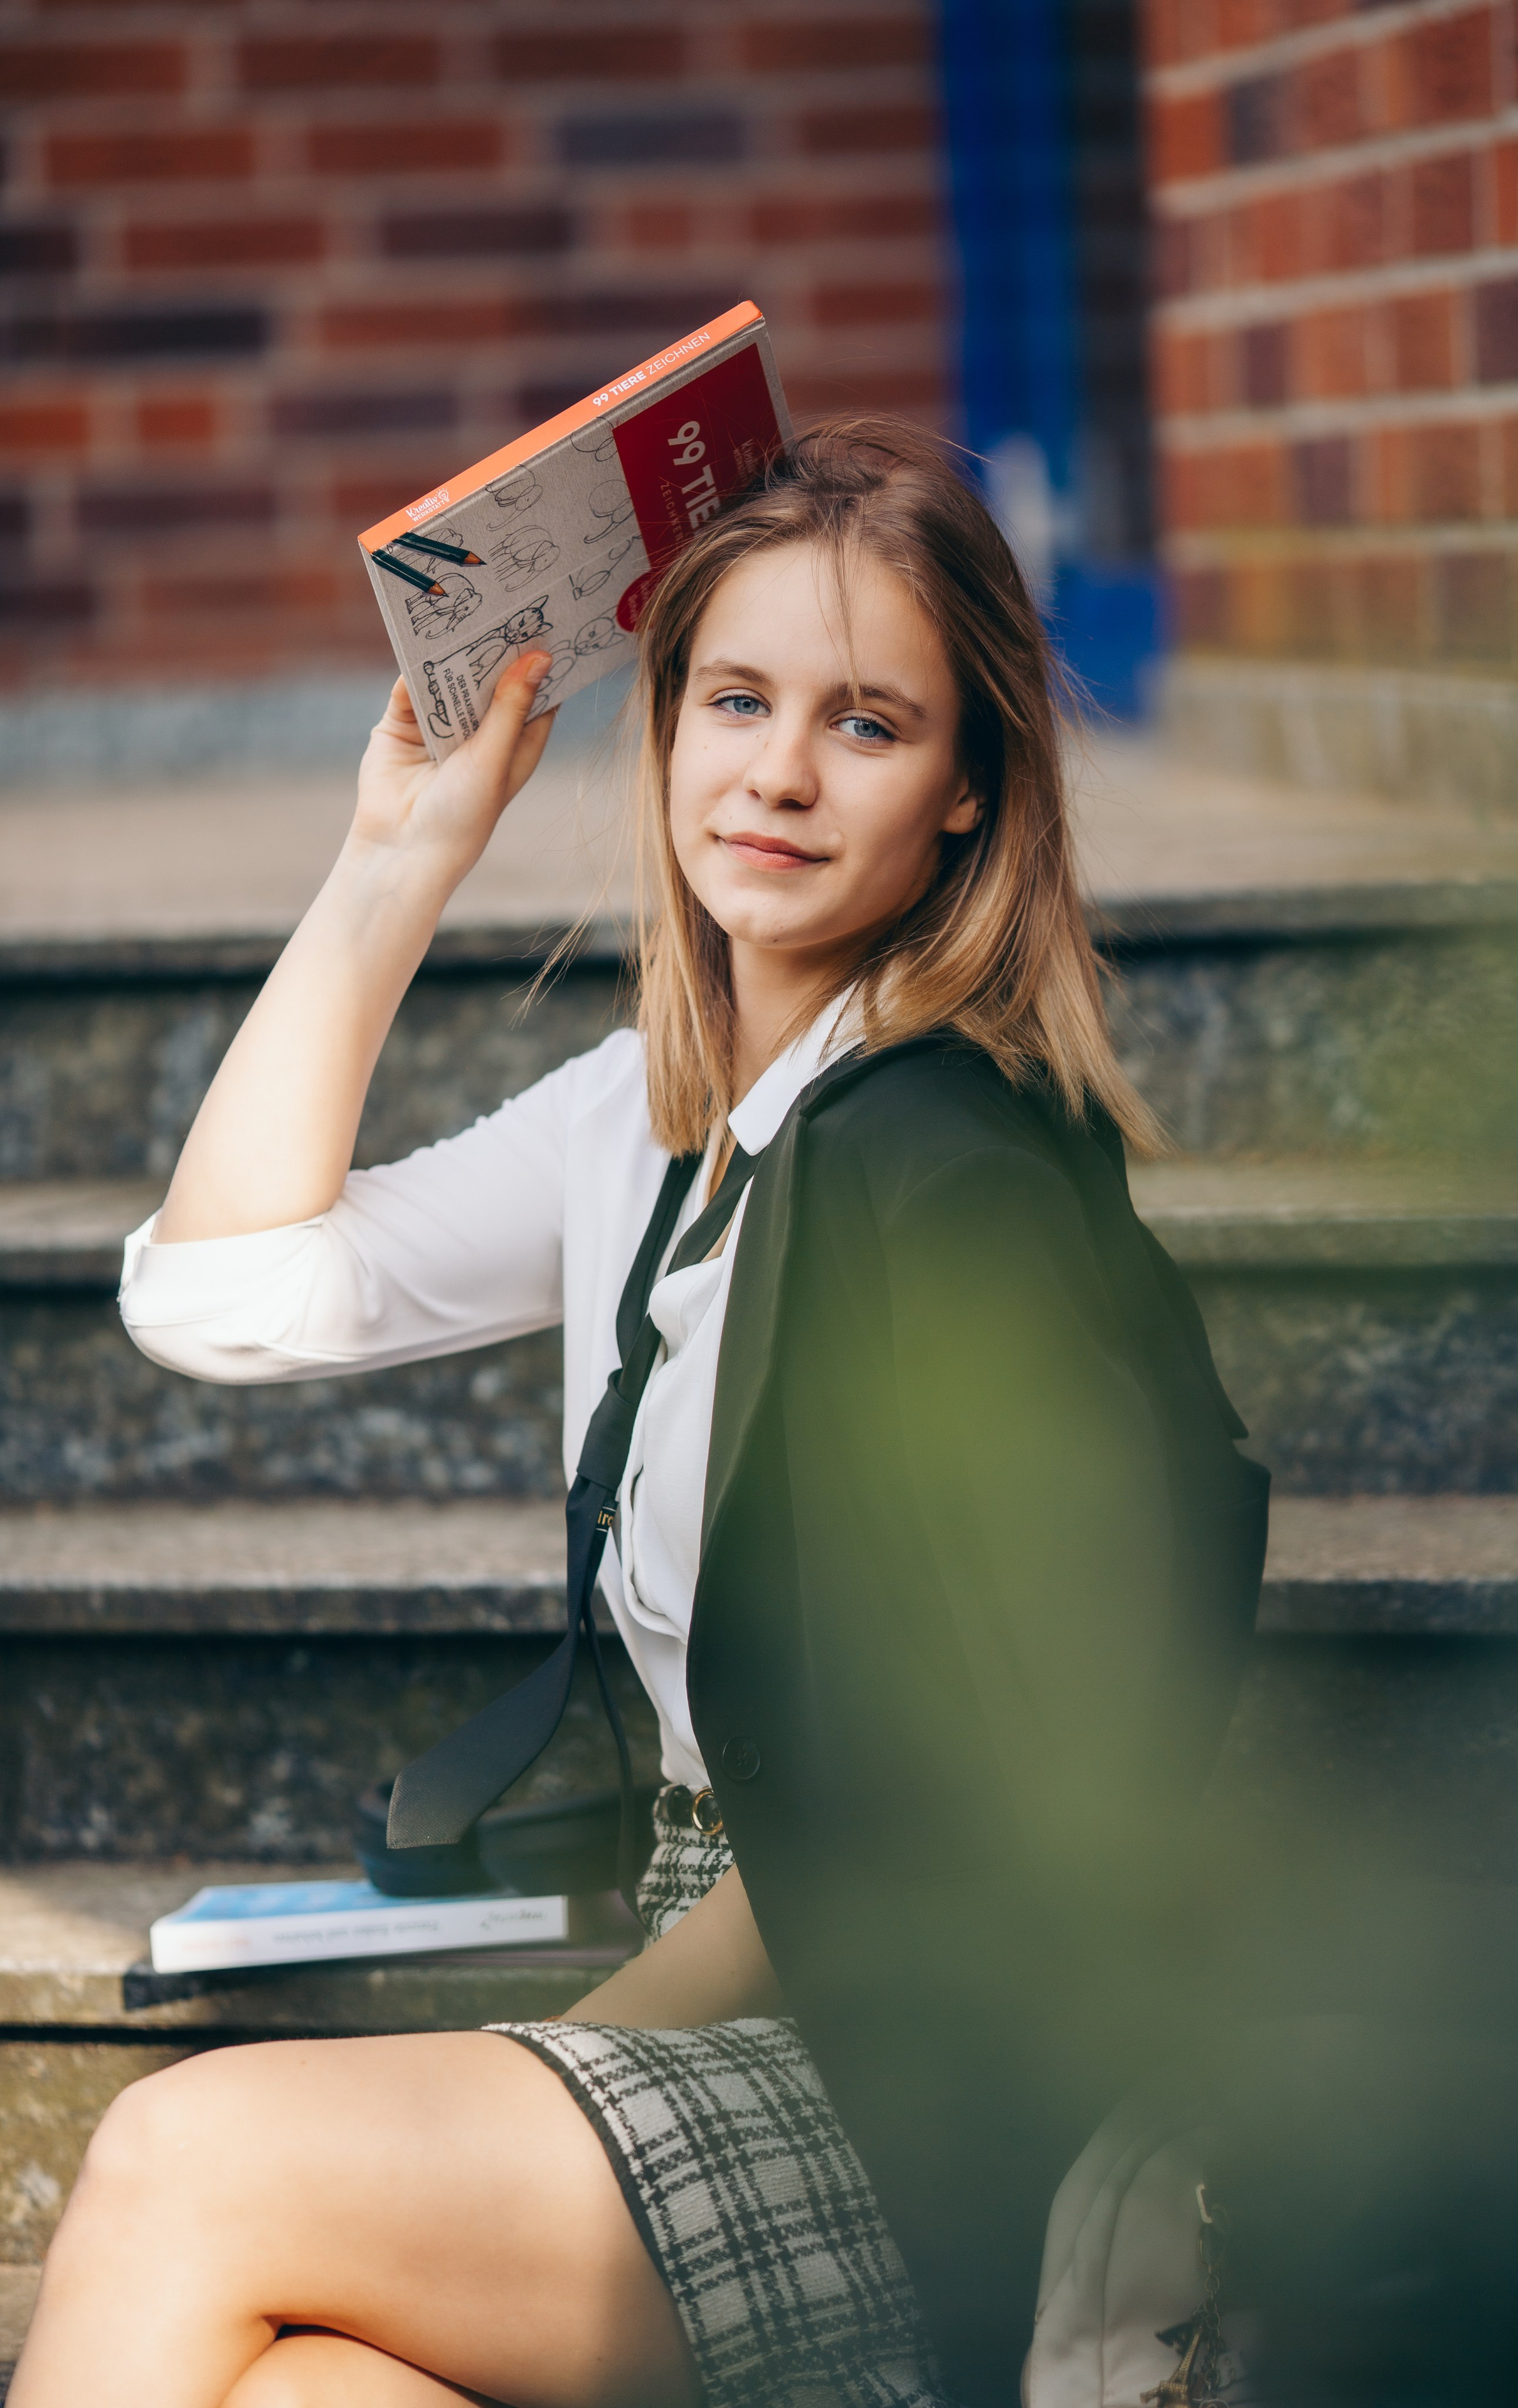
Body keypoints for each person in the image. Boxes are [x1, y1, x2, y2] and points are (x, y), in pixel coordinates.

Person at [13, 418, 1266, 2408]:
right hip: (712, 1954)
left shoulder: (941, 1182)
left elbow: (913, 1778)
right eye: (736, 698)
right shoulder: (648, 1124)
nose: (775, 773)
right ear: (664, 723)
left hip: (887, 2053)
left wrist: (569, 2050)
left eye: (866, 724)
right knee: (314, 2396)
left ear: (965, 793)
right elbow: (219, 1295)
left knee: (181, 2162)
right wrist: (400, 853)